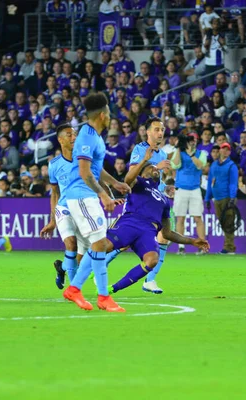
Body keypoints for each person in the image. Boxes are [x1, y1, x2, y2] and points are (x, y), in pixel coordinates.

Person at [61, 93, 131, 313]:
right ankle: (100, 296)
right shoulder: (87, 136)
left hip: (86, 194)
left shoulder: (95, 137)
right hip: (81, 194)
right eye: (109, 112)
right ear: (102, 115)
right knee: (99, 242)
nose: (111, 116)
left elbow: (95, 169)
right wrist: (104, 195)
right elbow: (84, 172)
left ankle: (78, 290)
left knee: (98, 243)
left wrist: (115, 183)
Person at [107, 155, 209, 294]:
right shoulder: (139, 183)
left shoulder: (164, 200)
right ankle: (75, 271)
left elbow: (167, 233)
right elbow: (128, 180)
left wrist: (192, 241)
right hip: (131, 223)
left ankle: (111, 289)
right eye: (151, 167)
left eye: (157, 169)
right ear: (142, 172)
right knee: (103, 247)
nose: (156, 169)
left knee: (152, 259)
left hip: (148, 232)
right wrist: (143, 161)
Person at [104, 118, 172, 294]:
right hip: (137, 200)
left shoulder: (163, 154)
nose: (160, 132)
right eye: (156, 129)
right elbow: (133, 176)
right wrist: (156, 166)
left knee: (164, 237)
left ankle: (150, 280)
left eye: (162, 129)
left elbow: (156, 181)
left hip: (155, 202)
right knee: (123, 242)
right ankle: (98, 263)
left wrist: (166, 188)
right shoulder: (140, 149)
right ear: (147, 132)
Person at [40, 124, 87, 289]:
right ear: (60, 140)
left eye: (75, 134)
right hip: (64, 210)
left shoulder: (84, 159)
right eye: (69, 135)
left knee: (81, 258)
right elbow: (54, 193)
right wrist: (53, 220)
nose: (74, 137)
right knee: (71, 244)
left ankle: (62, 268)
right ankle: (74, 290)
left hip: (82, 210)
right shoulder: (54, 165)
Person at [172, 133, 208, 256]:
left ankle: (202, 245)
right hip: (181, 189)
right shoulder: (180, 153)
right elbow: (175, 165)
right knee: (180, 218)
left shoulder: (201, 154)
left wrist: (191, 154)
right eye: (190, 140)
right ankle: (181, 247)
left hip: (195, 189)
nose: (192, 142)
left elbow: (200, 166)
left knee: (198, 217)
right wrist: (178, 148)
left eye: (194, 140)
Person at [205, 142, 238, 255]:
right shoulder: (214, 165)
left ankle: (229, 248)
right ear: (220, 151)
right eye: (223, 149)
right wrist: (207, 198)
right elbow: (210, 182)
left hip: (227, 197)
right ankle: (229, 247)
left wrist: (232, 198)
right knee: (223, 223)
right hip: (217, 198)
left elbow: (233, 183)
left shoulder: (231, 166)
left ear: (229, 152)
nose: (225, 151)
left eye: (227, 149)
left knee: (228, 223)